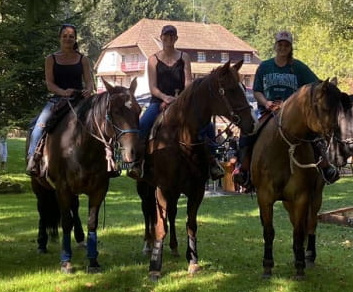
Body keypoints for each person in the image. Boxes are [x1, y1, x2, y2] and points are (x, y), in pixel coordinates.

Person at [231, 30, 339, 189]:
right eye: (280, 44)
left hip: (292, 113)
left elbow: (316, 86)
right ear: (275, 46)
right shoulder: (265, 66)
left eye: (286, 45)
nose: (283, 47)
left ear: (290, 47)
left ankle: (325, 166)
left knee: (314, 133)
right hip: (268, 110)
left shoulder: (298, 67)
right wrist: (266, 103)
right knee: (248, 131)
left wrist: (329, 88)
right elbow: (257, 90)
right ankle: (244, 169)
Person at [135, 24, 223, 180]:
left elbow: (188, 82)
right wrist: (165, 98)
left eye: (172, 36)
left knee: (207, 125)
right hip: (159, 101)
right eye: (166, 36)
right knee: (143, 124)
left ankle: (212, 162)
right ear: (161, 38)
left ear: (176, 38)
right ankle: (138, 162)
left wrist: (180, 99)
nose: (169, 39)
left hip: (182, 102)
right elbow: (153, 87)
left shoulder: (184, 57)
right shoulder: (153, 60)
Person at [26, 23, 96, 175]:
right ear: (59, 38)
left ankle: (109, 160)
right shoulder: (51, 59)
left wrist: (88, 90)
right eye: (65, 36)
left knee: (100, 121)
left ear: (75, 39)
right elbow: (50, 84)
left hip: (80, 99)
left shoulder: (82, 59)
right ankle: (33, 158)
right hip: (58, 99)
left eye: (71, 36)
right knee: (39, 124)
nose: (68, 39)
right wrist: (63, 92)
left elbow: (89, 81)